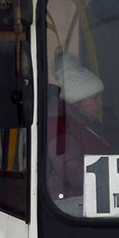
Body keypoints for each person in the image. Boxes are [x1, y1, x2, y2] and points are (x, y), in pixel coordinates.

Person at [46, 56, 108, 199]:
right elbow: (71, 173)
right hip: (72, 205)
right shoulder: (60, 126)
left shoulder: (81, 123)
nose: (101, 104)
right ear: (76, 102)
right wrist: (113, 178)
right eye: (95, 98)